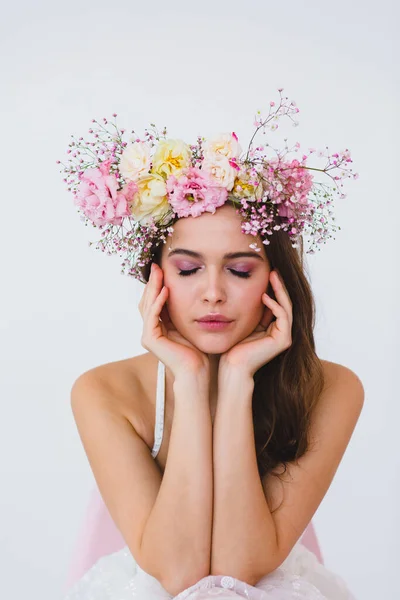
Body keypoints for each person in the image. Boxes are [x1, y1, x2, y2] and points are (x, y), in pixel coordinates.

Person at [59, 91, 363, 599]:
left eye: (240, 269)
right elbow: (179, 576)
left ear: (276, 280)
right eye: (188, 268)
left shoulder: (330, 387)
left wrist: (240, 378)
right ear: (157, 279)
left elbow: (238, 572)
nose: (214, 292)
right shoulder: (103, 391)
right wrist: (192, 379)